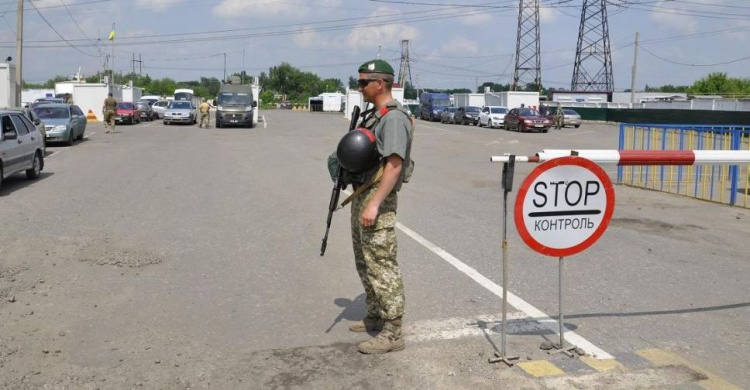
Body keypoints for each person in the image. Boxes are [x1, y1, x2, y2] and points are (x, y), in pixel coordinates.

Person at [344, 59, 414, 354]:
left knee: (382, 264)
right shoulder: (376, 114)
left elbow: (394, 166)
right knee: (365, 260)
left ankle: (393, 331)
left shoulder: (394, 118)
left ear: (380, 83)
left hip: (378, 199)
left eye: (363, 83)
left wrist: (374, 204)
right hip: (364, 193)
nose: (359, 88)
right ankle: (375, 314)